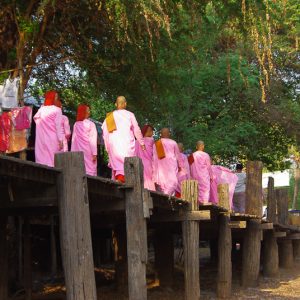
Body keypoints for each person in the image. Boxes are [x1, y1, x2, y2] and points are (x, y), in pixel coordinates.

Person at [102, 96, 145, 183]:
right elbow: (136, 129)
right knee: (126, 162)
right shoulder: (130, 114)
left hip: (114, 145)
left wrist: (107, 147)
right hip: (126, 144)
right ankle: (123, 180)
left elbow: (105, 133)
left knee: (118, 165)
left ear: (115, 104)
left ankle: (120, 179)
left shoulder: (110, 116)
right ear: (125, 104)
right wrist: (141, 142)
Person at [34, 90, 63, 167]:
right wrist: (60, 140)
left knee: (41, 158)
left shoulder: (42, 109)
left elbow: (35, 118)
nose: (57, 99)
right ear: (52, 98)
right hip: (52, 138)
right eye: (56, 97)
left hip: (41, 138)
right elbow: (58, 126)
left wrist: (43, 127)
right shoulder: (57, 110)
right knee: (52, 159)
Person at [153, 128, 183, 196]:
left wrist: (154, 170)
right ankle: (168, 197)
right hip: (170, 167)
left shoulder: (157, 143)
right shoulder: (173, 142)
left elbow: (154, 158)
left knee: (163, 183)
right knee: (172, 183)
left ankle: (165, 196)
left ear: (161, 134)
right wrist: (180, 166)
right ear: (169, 134)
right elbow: (178, 156)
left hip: (162, 168)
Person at [71, 104, 98, 176]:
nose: (89, 112)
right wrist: (94, 153)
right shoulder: (91, 124)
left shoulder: (76, 124)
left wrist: (72, 153)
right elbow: (93, 140)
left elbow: (74, 141)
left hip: (78, 151)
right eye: (88, 110)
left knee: (80, 170)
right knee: (90, 169)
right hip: (89, 151)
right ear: (84, 112)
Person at [136, 124, 155, 190]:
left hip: (138, 163)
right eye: (152, 131)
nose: (152, 133)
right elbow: (154, 154)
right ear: (149, 131)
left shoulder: (137, 141)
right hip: (148, 163)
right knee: (149, 180)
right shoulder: (151, 140)